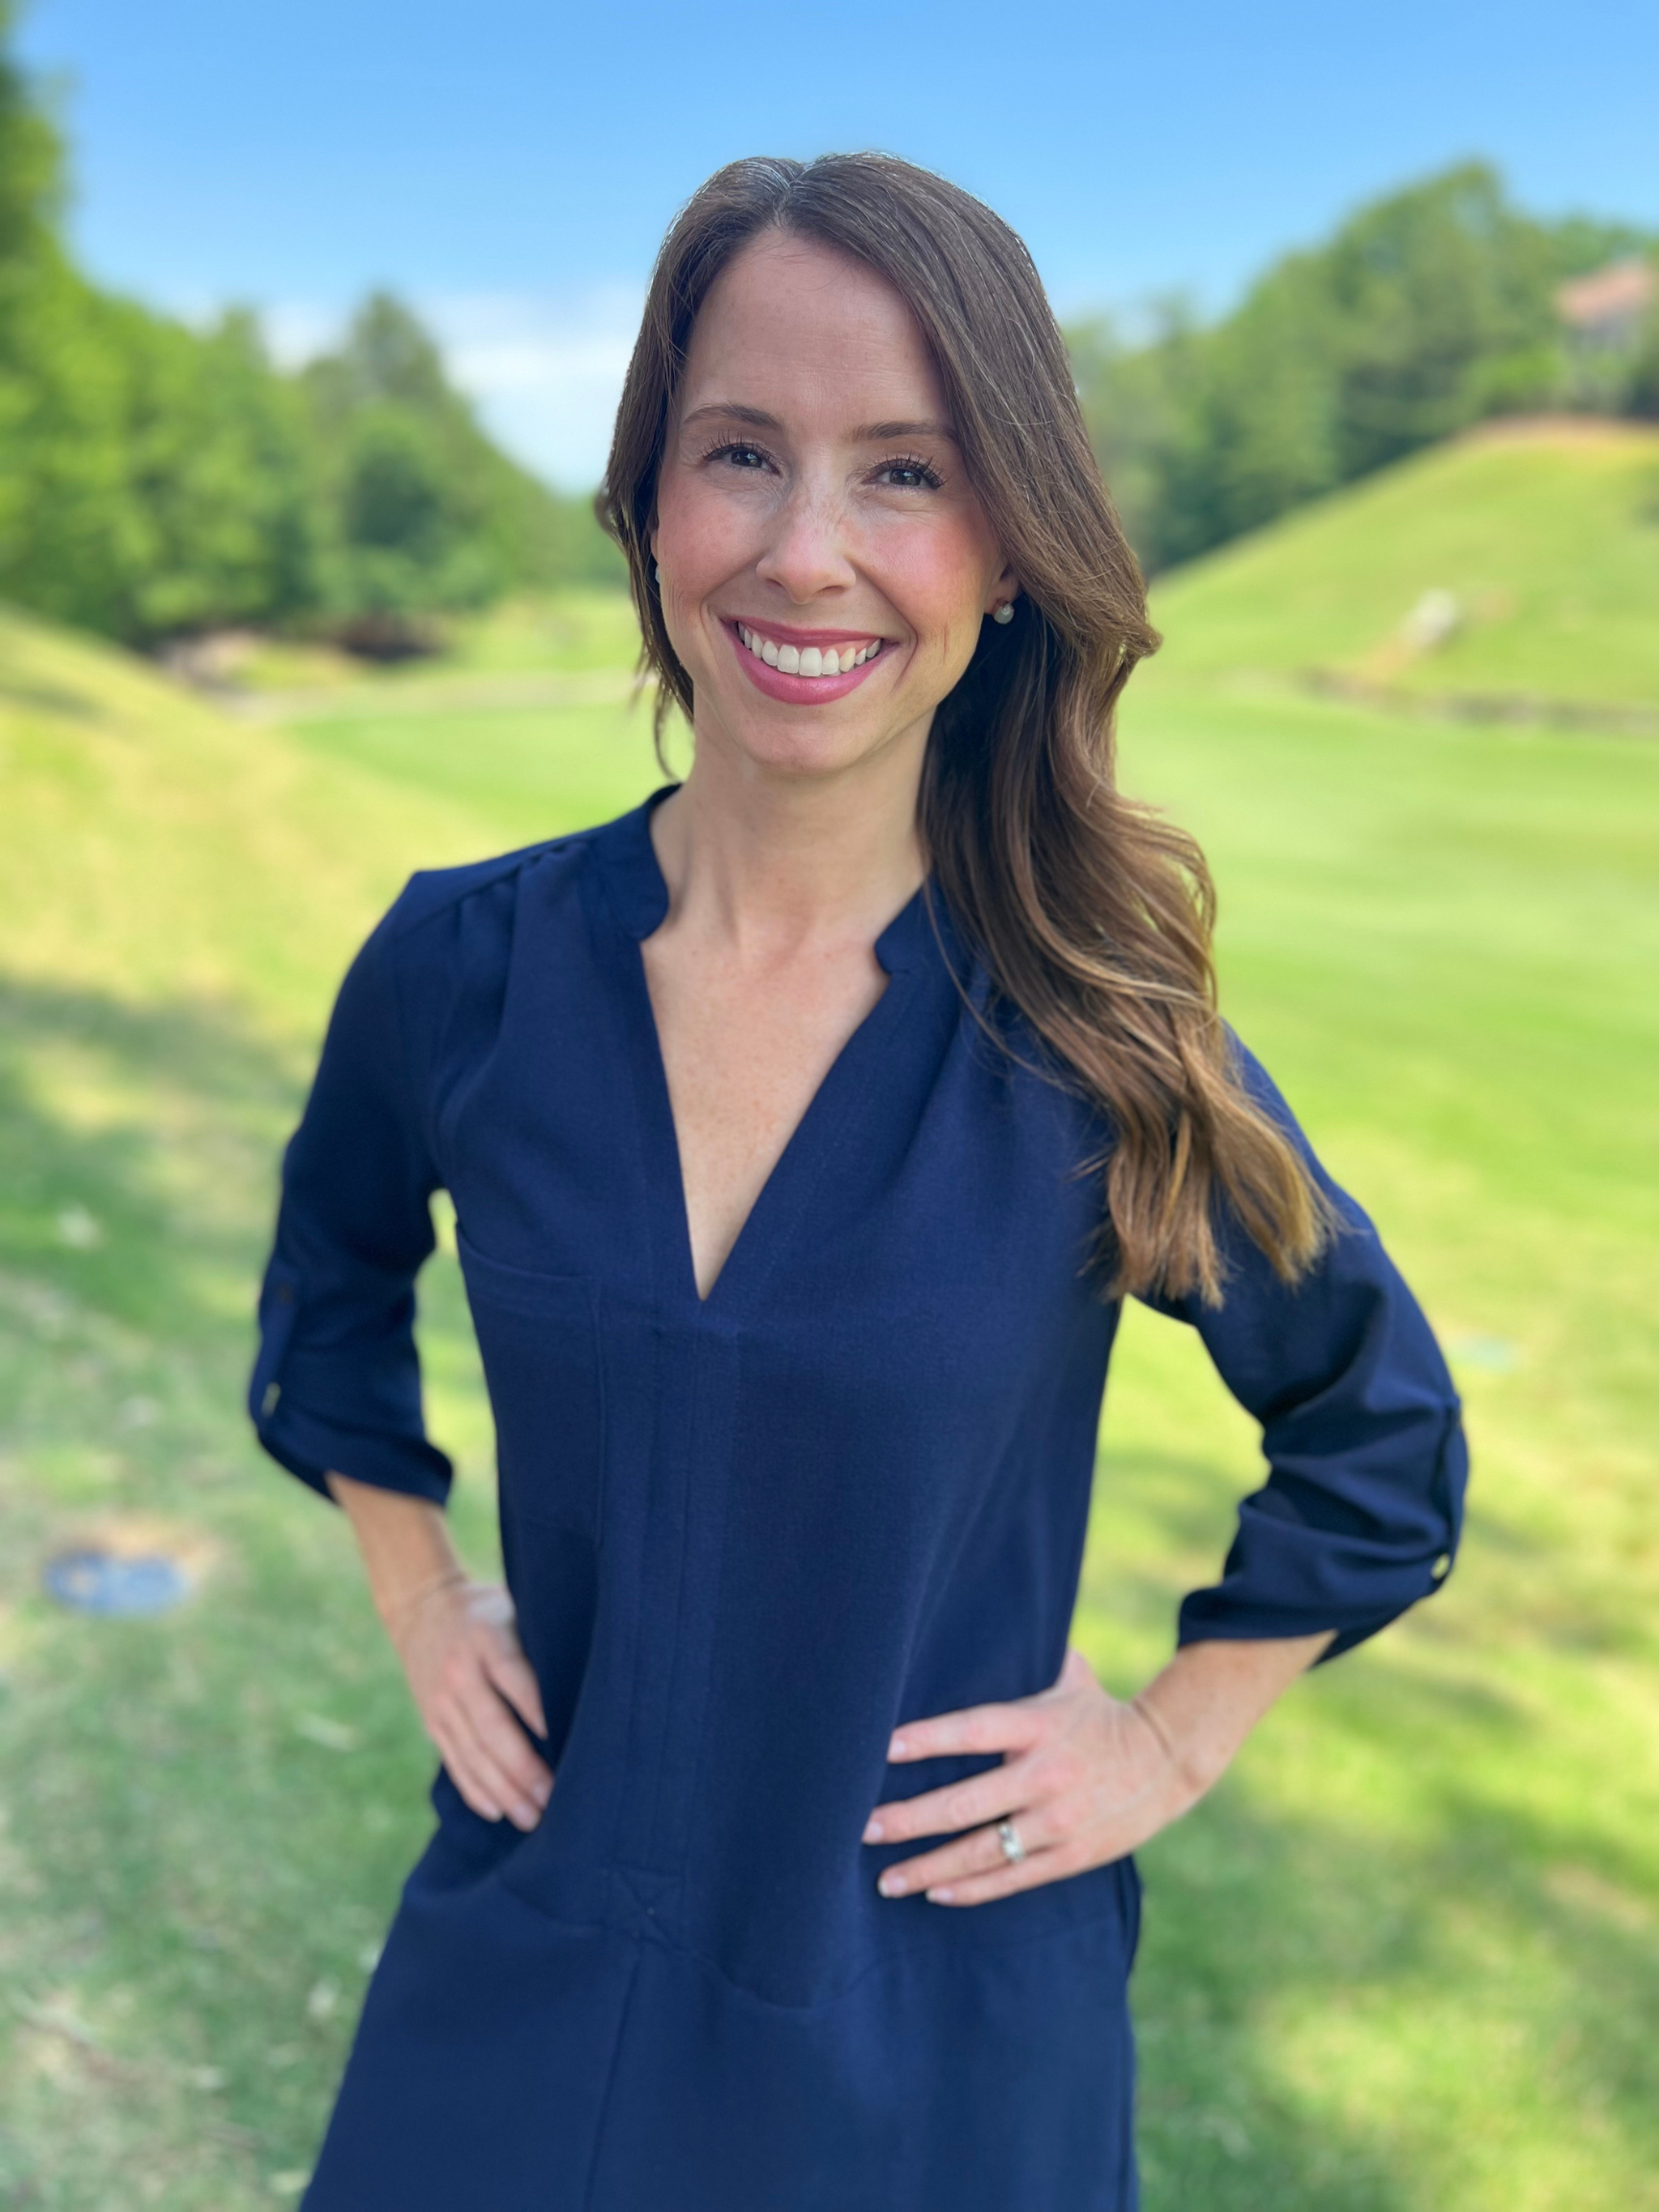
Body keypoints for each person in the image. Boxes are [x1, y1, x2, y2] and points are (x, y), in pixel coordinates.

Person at [248, 152, 1467, 2212]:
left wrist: (1169, 1737)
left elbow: (1381, 1435)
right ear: (646, 512)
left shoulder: (1091, 1046)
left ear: (1007, 550)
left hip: (925, 2039)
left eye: (905, 472)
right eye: (744, 453)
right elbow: (330, 1285)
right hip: (532, 1952)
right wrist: (416, 1586)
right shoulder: (462, 971)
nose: (810, 551)